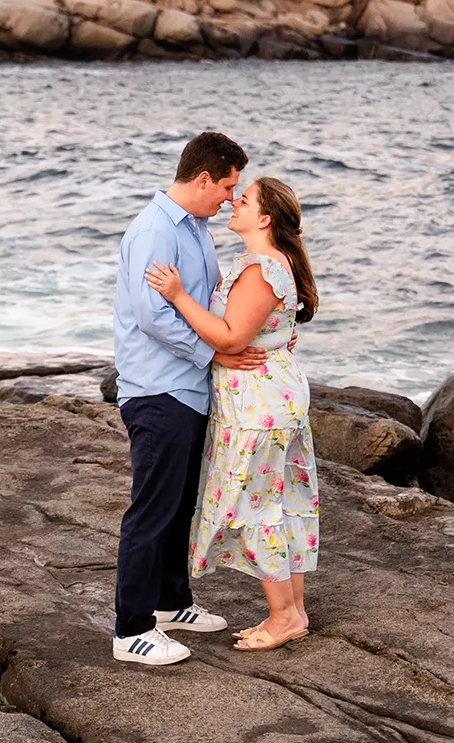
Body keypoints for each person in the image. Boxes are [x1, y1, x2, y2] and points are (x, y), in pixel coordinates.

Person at [146, 175, 319, 652]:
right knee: (281, 504)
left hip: (258, 406)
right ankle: (294, 611)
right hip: (272, 397)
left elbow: (229, 339)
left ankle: (283, 616)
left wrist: (178, 296)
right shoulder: (267, 265)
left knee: (255, 507)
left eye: (243, 200)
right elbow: (261, 327)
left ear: (263, 219)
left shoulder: (261, 268)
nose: (232, 203)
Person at [110, 131, 263, 667]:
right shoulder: (155, 230)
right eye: (226, 186)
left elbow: (205, 300)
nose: (229, 197)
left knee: (179, 505)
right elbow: (154, 316)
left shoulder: (194, 227)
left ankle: (172, 602)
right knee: (151, 509)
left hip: (189, 388)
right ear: (203, 178)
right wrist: (213, 355)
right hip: (158, 388)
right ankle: (131, 629)